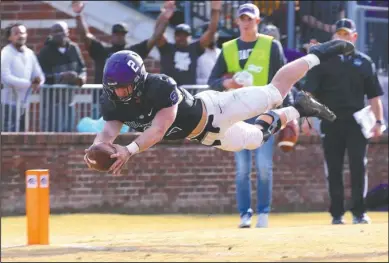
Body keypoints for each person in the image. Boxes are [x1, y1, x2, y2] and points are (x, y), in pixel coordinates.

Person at [84, 39, 355, 178]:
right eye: (114, 87)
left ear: (139, 80)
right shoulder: (114, 100)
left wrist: (129, 150)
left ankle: (319, 53)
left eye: (123, 86)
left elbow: (158, 129)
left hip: (217, 108)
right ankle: (300, 108)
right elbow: (108, 131)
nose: (119, 92)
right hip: (207, 136)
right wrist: (96, 151)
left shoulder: (159, 86)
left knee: (275, 92)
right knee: (256, 139)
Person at [207, 3, 293, 228]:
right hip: (236, 115)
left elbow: (284, 80)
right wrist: (229, 82)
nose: (246, 22)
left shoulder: (271, 46)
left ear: (257, 21)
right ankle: (245, 214)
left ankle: (263, 213)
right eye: (242, 18)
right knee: (243, 169)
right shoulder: (227, 48)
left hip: (264, 114)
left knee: (264, 167)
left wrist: (289, 112)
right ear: (237, 21)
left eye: (250, 18)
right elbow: (213, 81)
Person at [301, 18, 385, 225]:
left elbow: (374, 96)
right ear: (333, 37)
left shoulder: (364, 62)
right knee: (334, 167)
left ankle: (359, 212)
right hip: (331, 120)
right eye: (339, 34)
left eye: (346, 34)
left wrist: (379, 121)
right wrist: (306, 119)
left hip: (357, 122)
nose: (342, 38)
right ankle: (337, 213)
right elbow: (309, 93)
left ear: (354, 37)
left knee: (359, 166)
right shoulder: (322, 61)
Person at [72, 0, 176, 84]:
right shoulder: (101, 51)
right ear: (112, 36)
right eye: (116, 34)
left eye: (122, 34)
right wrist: (78, 14)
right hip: (102, 100)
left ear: (125, 35)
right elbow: (84, 36)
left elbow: (155, 36)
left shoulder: (134, 52)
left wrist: (165, 18)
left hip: (127, 101)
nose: (119, 36)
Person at [156, 1, 221, 86]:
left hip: (187, 94)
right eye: (179, 35)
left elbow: (211, 31)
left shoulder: (195, 49)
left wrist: (215, 9)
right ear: (174, 36)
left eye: (185, 35)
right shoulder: (167, 48)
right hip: (167, 92)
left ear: (190, 37)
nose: (182, 38)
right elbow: (157, 33)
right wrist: (164, 15)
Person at [38, 21, 87, 132]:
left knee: (69, 130)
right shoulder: (45, 51)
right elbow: (40, 75)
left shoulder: (74, 48)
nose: (59, 34)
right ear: (51, 34)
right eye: (55, 31)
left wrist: (81, 78)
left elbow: (82, 68)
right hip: (51, 102)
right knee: (52, 131)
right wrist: (60, 76)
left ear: (67, 32)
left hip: (69, 99)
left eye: (61, 30)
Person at [1, 23, 45, 132]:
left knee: (21, 135)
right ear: (9, 37)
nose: (20, 35)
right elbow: (5, 77)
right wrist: (29, 84)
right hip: (7, 103)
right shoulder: (6, 53)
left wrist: (39, 82)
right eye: (16, 33)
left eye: (23, 32)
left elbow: (39, 74)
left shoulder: (29, 53)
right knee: (8, 137)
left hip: (24, 102)